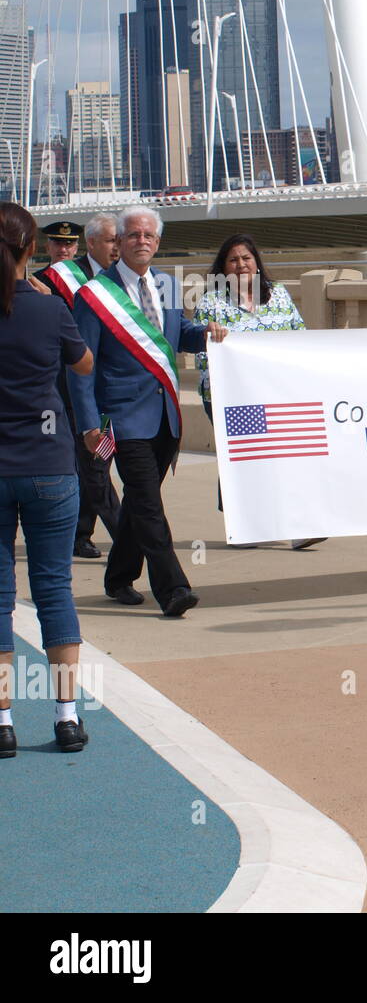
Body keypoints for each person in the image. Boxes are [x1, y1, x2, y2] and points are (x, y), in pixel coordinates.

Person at [67, 206, 227, 617]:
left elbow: (175, 336)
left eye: (148, 235)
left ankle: (118, 577)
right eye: (133, 234)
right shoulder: (93, 295)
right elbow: (82, 367)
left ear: (157, 243)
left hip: (165, 414)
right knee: (148, 503)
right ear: (118, 243)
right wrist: (88, 425)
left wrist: (207, 334)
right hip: (121, 418)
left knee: (142, 502)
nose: (141, 241)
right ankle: (173, 588)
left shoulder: (169, 287)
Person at [0, 202, 96, 755]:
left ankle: (4, 723)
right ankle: (65, 716)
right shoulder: (50, 308)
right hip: (48, 464)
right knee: (54, 589)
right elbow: (82, 364)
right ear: (31, 249)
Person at [194, 233, 325, 550]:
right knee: (245, 462)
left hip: (276, 395)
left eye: (246, 258)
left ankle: (300, 526)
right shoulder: (211, 303)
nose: (241, 265)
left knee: (287, 458)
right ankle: (245, 526)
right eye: (233, 260)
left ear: (257, 263)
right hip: (231, 398)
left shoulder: (279, 295)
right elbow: (201, 354)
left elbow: (299, 335)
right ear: (223, 267)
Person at [32, 213, 122, 559]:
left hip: (104, 384)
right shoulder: (41, 281)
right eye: (58, 243)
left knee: (92, 463)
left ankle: (81, 532)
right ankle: (125, 533)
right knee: (90, 462)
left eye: (69, 243)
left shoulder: (106, 279)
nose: (64, 249)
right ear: (47, 246)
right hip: (64, 385)